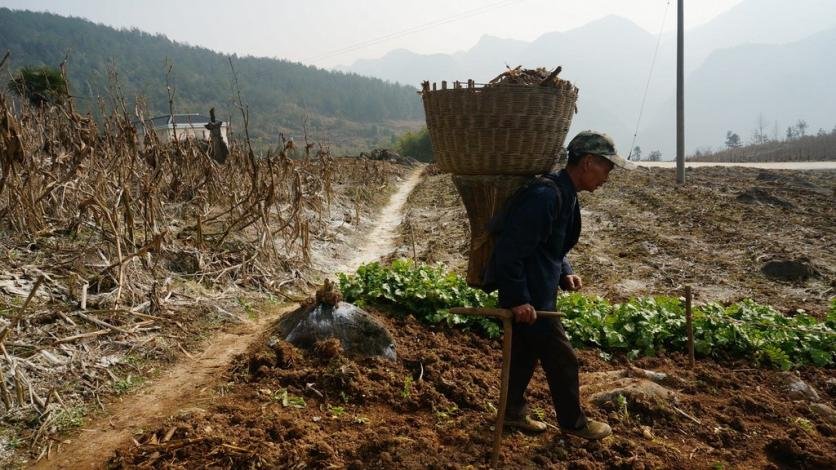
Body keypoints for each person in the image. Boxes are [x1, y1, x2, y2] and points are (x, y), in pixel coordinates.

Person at [483, 130, 634, 440]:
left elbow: (550, 246)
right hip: (531, 297)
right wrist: (517, 298)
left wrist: (565, 270)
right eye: (607, 167)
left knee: (524, 356)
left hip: (539, 294)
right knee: (563, 359)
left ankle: (511, 412)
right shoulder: (545, 195)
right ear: (588, 162)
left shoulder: (565, 195)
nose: (608, 176)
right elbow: (510, 249)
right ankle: (574, 424)